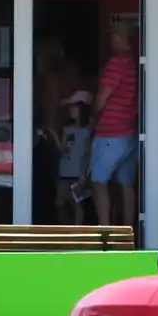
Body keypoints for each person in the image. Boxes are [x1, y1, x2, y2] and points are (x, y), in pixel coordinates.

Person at [92, 29, 139, 234]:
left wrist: (93, 113)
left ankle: (105, 234)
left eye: (114, 36)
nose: (111, 40)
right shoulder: (135, 64)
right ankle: (129, 232)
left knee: (98, 183)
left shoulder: (117, 63)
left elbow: (103, 96)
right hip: (128, 132)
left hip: (111, 133)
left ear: (122, 38)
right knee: (126, 184)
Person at [54, 91, 94, 226]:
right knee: (59, 203)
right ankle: (65, 231)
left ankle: (77, 232)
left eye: (74, 107)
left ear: (83, 108)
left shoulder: (88, 130)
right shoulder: (67, 128)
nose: (71, 110)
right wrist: (53, 135)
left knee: (78, 205)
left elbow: (88, 153)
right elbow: (63, 148)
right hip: (64, 170)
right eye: (70, 107)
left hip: (78, 173)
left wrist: (84, 173)